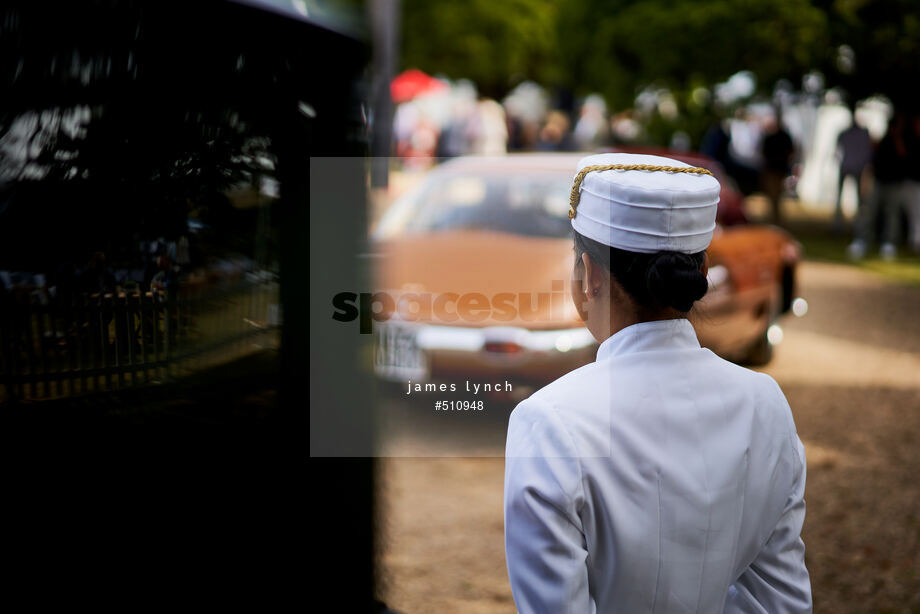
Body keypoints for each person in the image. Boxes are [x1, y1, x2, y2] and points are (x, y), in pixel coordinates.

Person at [504, 153, 812, 613]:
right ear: (702, 272)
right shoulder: (764, 402)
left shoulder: (550, 419)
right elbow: (779, 601)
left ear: (587, 275)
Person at [833, 103, 873, 233]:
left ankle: (857, 224)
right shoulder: (846, 133)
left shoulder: (861, 133)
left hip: (855, 167)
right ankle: (839, 223)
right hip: (850, 166)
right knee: (844, 197)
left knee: (860, 199)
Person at [760, 111, 795, 226]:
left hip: (776, 170)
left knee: (775, 196)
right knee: (774, 197)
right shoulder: (778, 137)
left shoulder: (777, 137)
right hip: (775, 169)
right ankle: (775, 219)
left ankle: (775, 220)